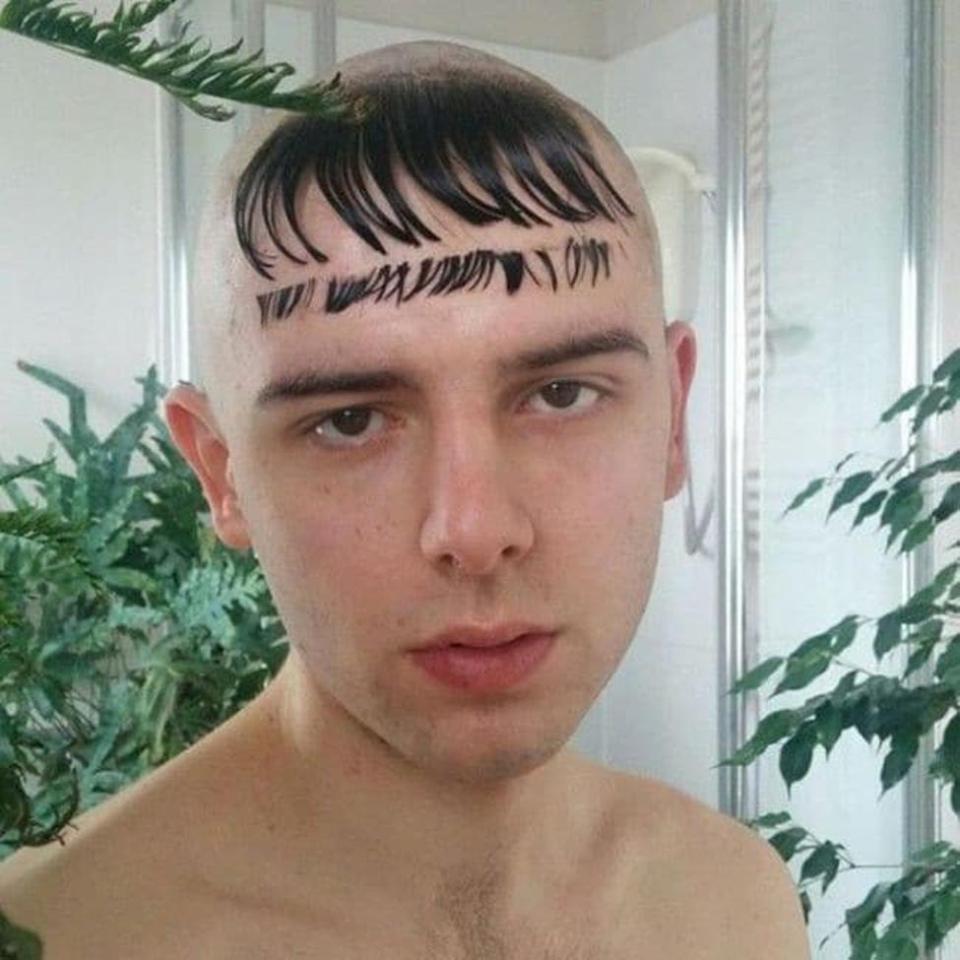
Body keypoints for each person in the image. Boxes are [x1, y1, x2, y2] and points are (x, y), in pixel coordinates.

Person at [0, 40, 810, 959]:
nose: (474, 530)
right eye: (349, 421)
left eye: (560, 394)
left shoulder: (735, 901)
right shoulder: (59, 936)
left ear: (672, 421)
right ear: (221, 475)